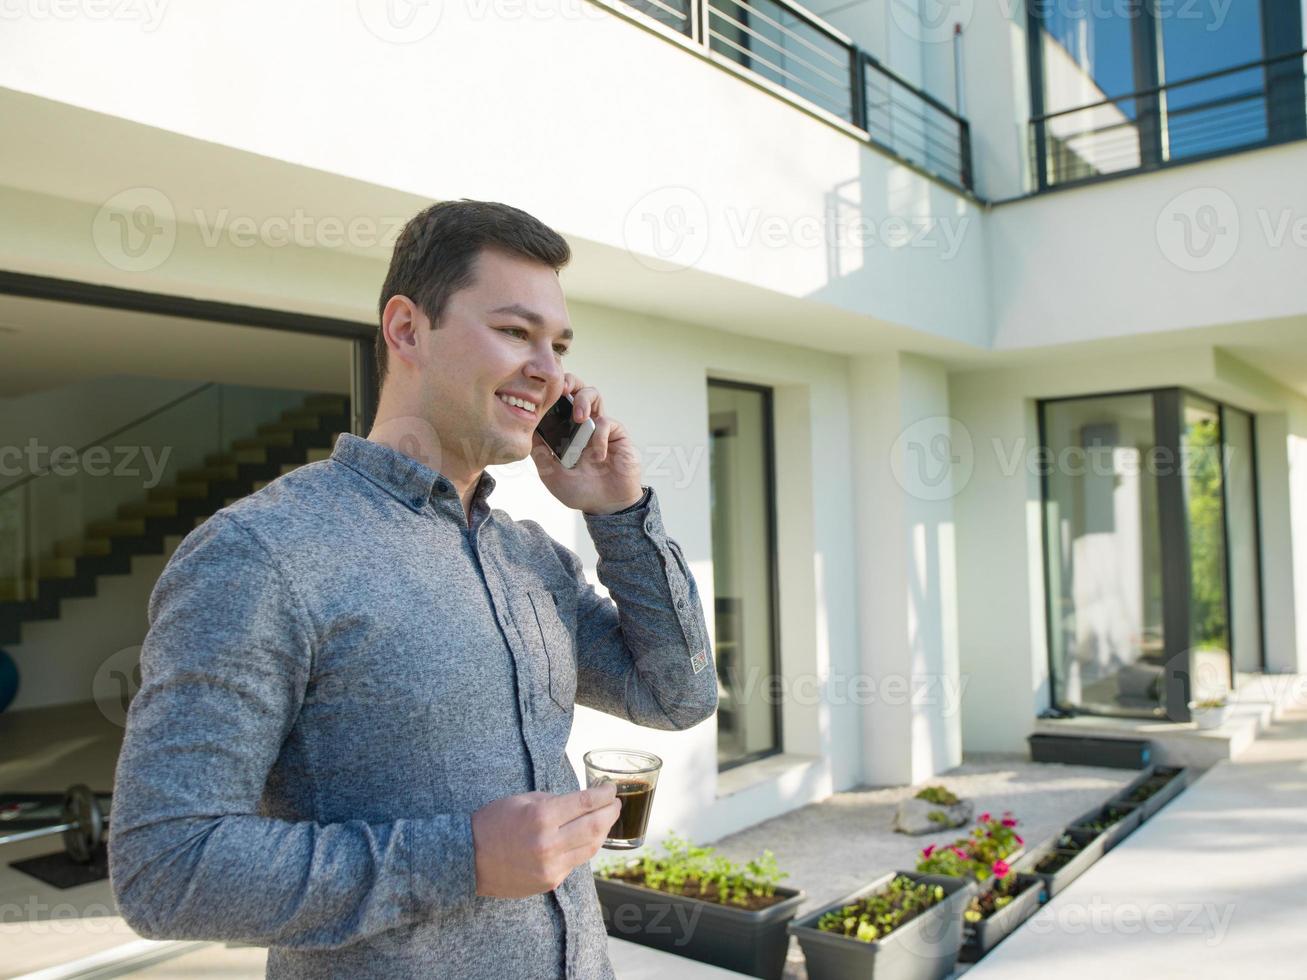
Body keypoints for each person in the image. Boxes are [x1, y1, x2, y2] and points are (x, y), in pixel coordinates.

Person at [108, 200, 718, 979]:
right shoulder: (262, 555)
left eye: (558, 344)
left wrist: (622, 515)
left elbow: (677, 695)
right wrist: (460, 858)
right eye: (514, 331)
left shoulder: (531, 558)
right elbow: (166, 868)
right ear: (405, 330)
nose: (549, 369)